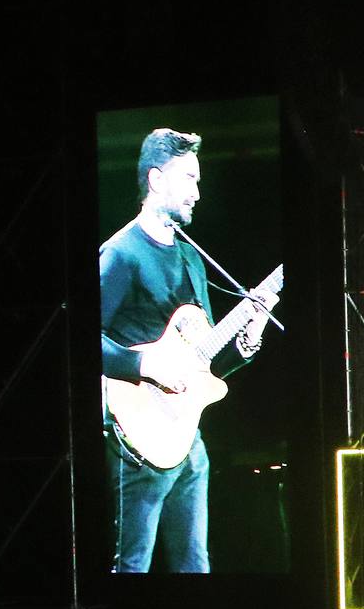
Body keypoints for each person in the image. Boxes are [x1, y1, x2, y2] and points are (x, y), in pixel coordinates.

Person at [99, 128, 273, 572]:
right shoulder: (121, 253)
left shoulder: (192, 258)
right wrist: (143, 363)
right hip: (135, 443)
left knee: (196, 565)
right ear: (156, 180)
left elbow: (205, 361)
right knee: (132, 566)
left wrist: (248, 335)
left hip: (187, 441)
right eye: (189, 179)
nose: (198, 192)